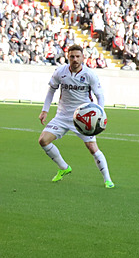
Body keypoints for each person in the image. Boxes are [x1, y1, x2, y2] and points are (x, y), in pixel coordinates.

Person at [37, 44, 114, 188]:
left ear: (83, 57)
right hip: (62, 116)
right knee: (43, 140)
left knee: (92, 148)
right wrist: (45, 110)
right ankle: (64, 167)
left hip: (83, 117)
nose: (75, 59)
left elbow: (99, 95)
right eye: (72, 56)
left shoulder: (89, 74)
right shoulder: (60, 71)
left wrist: (100, 114)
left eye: (78, 56)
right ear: (68, 57)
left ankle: (107, 180)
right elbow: (51, 90)